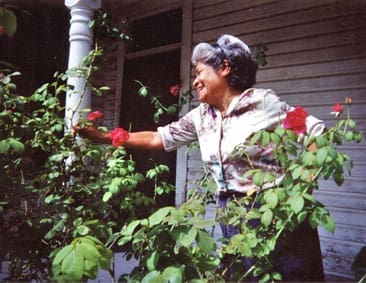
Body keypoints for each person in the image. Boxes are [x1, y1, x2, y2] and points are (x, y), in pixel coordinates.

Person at [75, 34, 325, 281]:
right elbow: (157, 138)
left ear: (225, 68)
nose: (195, 81)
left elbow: (316, 132)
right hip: (230, 210)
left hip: (273, 208)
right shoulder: (201, 116)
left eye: (199, 72)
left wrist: (302, 186)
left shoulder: (263, 103)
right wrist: (105, 137)